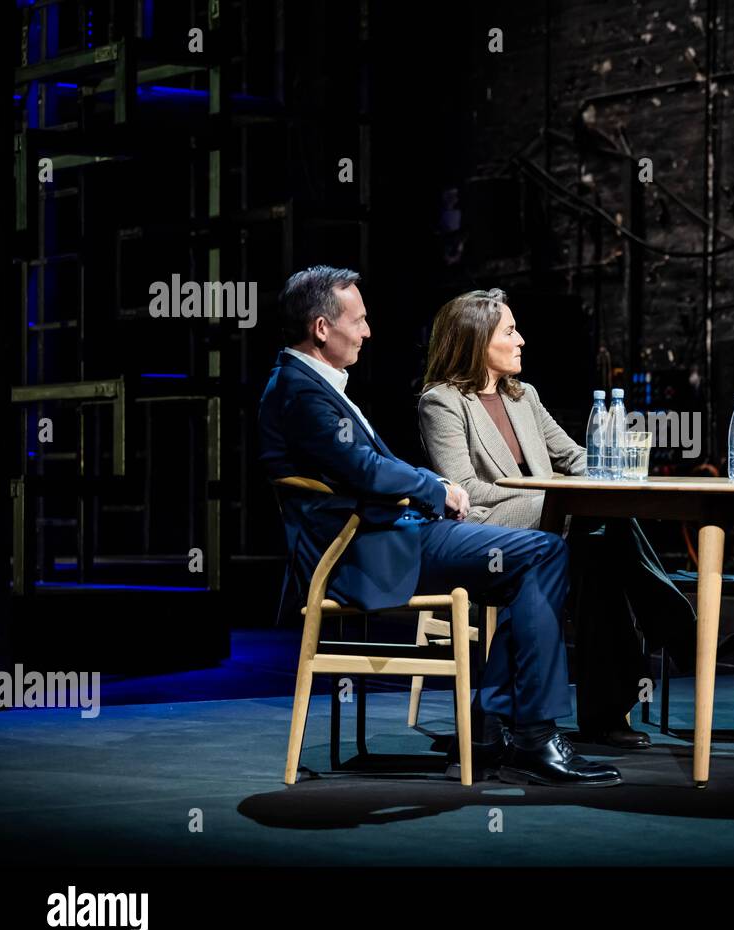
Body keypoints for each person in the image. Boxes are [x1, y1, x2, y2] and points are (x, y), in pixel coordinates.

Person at [258, 266, 621, 787]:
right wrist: (436, 488)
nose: (367, 331)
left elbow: (367, 467)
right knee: (541, 553)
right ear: (321, 328)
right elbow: (364, 469)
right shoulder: (300, 391)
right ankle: (529, 736)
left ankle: (497, 728)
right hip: (362, 552)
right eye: (358, 321)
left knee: (538, 558)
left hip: (388, 535)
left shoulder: (312, 385)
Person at [417, 288, 695, 748]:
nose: (521, 339)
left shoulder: (524, 397)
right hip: (486, 530)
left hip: (555, 528)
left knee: (600, 551)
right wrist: (557, 496)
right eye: (509, 331)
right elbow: (462, 489)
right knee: (594, 522)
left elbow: (575, 457)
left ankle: (607, 707)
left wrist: (617, 471)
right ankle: (667, 633)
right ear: (475, 341)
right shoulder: (442, 401)